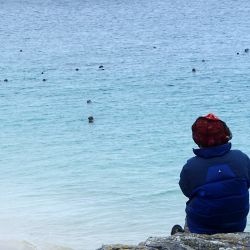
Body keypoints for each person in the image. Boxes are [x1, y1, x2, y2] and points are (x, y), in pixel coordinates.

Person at [178, 113, 250, 234]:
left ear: (196, 138)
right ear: (225, 135)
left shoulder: (190, 167)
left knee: (193, 206)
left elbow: (187, 192)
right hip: (236, 224)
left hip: (201, 227)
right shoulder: (241, 158)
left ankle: (183, 235)